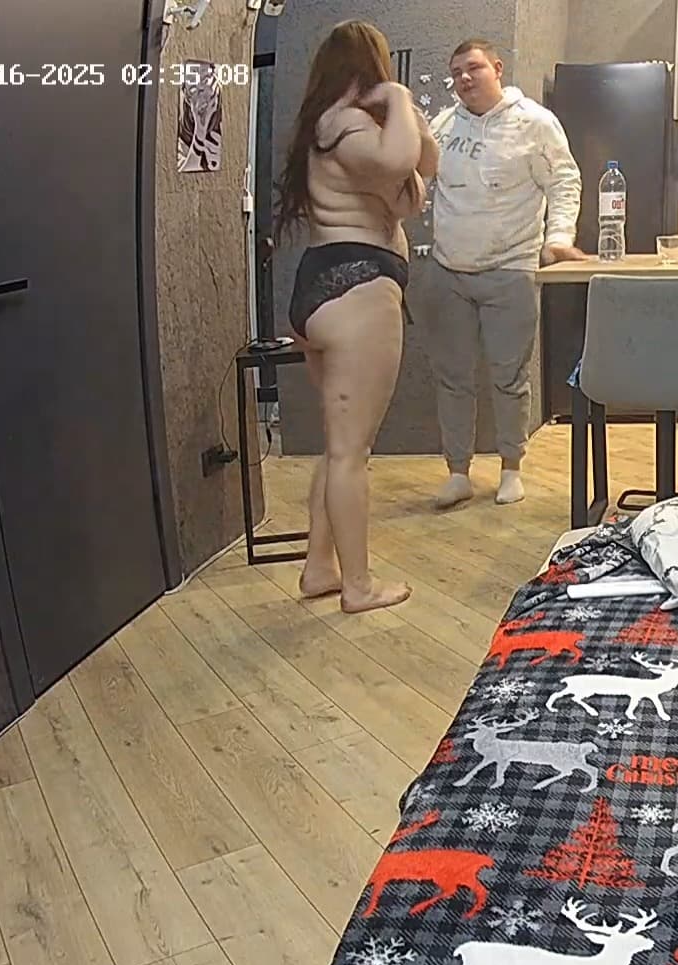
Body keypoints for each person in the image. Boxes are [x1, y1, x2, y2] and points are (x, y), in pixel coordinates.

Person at [275, 20, 438, 612]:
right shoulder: (349, 123)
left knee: (338, 445)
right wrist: (397, 95)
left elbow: (424, 164)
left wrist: (403, 111)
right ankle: (358, 585)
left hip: (324, 287)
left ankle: (320, 567)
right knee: (351, 454)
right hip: (358, 289)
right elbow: (404, 163)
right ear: (371, 64)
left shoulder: (330, 126)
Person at [413, 38, 583, 509]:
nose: (464, 78)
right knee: (452, 378)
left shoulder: (534, 123)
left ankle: (511, 468)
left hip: (511, 268)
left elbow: (564, 180)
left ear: (497, 68)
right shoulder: (443, 126)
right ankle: (458, 472)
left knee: (509, 378)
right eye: (456, 72)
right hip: (449, 270)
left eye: (473, 68)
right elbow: (417, 182)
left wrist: (559, 237)